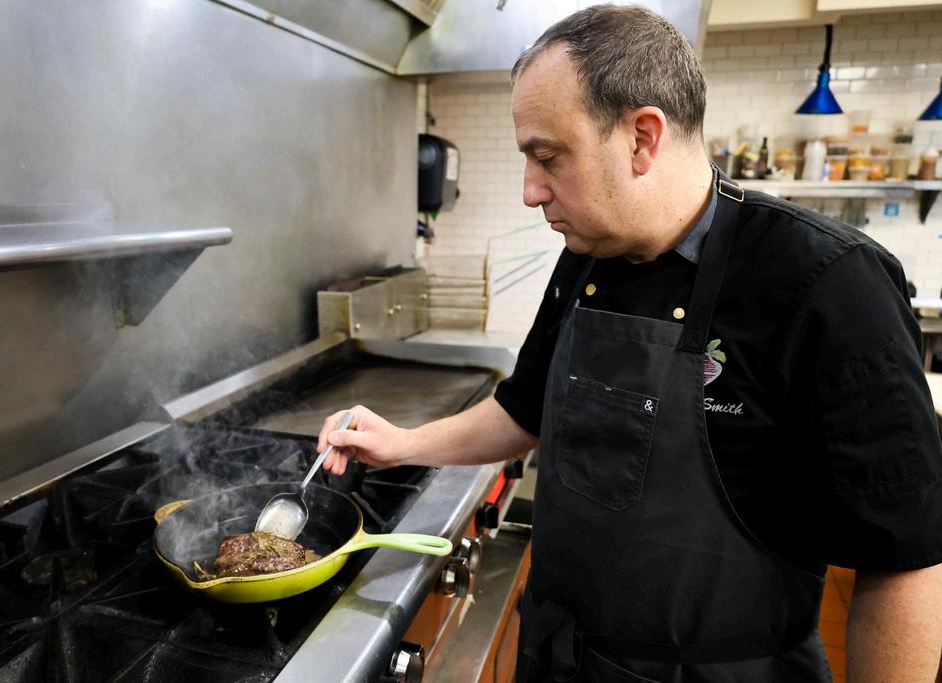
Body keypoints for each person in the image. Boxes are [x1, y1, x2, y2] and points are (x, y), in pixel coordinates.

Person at [318, 5, 942, 681]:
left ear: (642, 138)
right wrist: (402, 443)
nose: (530, 191)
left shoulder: (827, 281)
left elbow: (903, 560)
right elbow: (523, 410)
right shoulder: (587, 254)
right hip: (558, 660)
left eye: (547, 157)